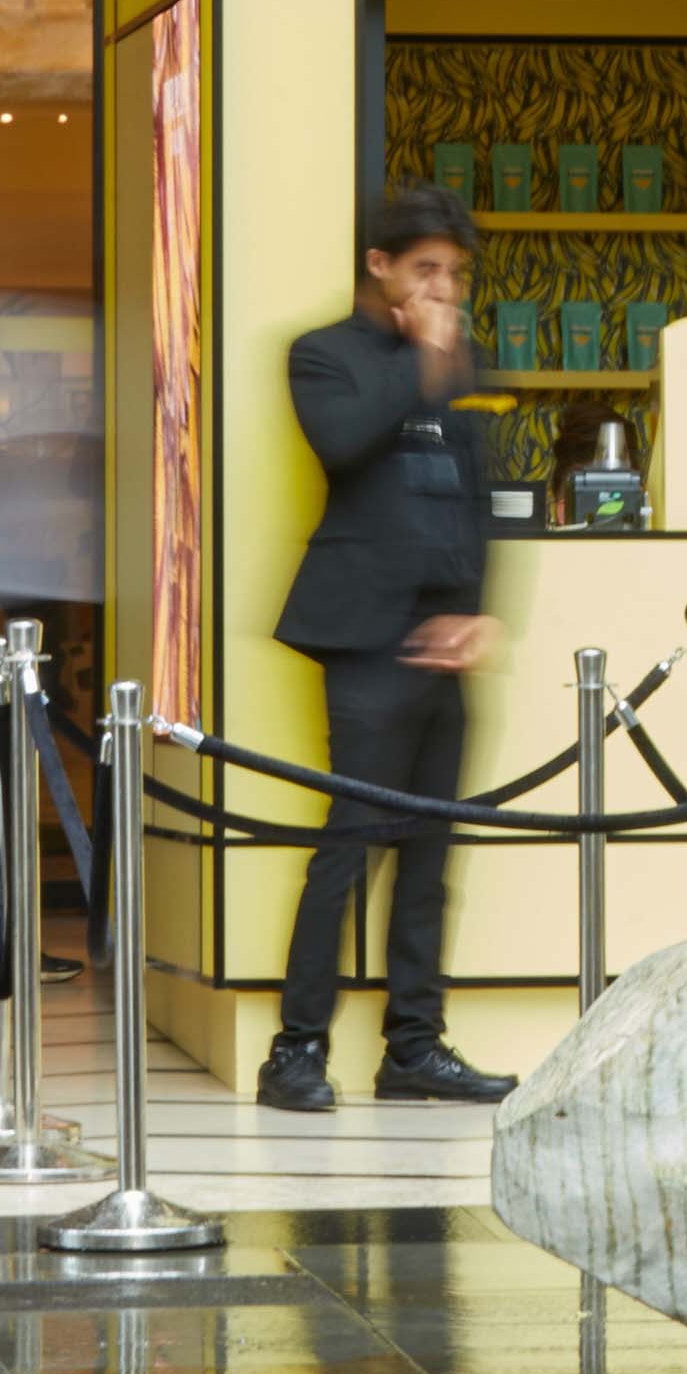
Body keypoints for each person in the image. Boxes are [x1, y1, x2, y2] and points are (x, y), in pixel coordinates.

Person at [263, 184, 514, 1112]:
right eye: (425, 269)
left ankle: (414, 1046)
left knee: (431, 854)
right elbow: (341, 444)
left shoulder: (459, 359)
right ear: (380, 265)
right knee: (351, 844)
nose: (444, 288)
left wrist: (479, 613)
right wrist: (422, 360)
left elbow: (477, 494)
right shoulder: (322, 354)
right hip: (364, 634)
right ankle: (295, 1050)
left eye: (455, 272)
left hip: (443, 640)